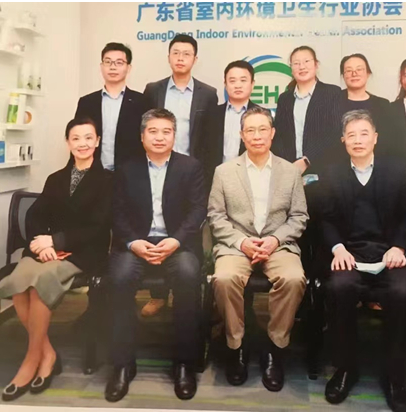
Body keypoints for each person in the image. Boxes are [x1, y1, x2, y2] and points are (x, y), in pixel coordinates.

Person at [1, 118, 113, 401]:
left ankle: (31, 360)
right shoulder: (56, 178)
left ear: (97, 141)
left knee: (40, 282)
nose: (82, 143)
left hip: (85, 251)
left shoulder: (108, 181)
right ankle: (47, 353)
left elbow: (99, 226)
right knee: (19, 280)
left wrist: (58, 242)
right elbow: (35, 215)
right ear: (68, 142)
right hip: (46, 249)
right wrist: (41, 243)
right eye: (76, 138)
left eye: (88, 138)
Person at [104, 109, 207, 403]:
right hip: (136, 243)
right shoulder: (127, 168)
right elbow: (117, 212)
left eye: (166, 131)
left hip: (177, 243)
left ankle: (184, 363)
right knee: (119, 278)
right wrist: (133, 242)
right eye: (153, 131)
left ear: (174, 135)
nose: (159, 137)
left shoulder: (191, 167)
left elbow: (197, 210)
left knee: (188, 275)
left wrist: (175, 240)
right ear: (142, 136)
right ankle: (123, 364)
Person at [320, 110, 406, 411]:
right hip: (351, 253)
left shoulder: (399, 171)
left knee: (401, 292)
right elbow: (325, 218)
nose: (358, 140)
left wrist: (399, 247)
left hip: (390, 254)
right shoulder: (333, 173)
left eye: (364, 134)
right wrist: (337, 248)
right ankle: (346, 367)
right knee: (339, 288)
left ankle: (394, 374)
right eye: (351, 135)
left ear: (375, 137)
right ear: (343, 140)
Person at [208, 106, 308, 392]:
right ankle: (236, 345)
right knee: (224, 278)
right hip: (237, 244)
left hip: (278, 244)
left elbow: (299, 216)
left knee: (293, 279)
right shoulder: (224, 172)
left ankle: (275, 347)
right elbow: (216, 216)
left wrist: (275, 240)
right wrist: (242, 242)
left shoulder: (290, 171)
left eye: (262, 129)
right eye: (250, 130)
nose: (256, 136)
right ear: (241, 135)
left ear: (272, 133)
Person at [142, 34, 217, 316]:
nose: (181, 58)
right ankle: (159, 295)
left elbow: (209, 139)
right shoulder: (153, 89)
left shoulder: (208, 93)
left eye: (187, 53)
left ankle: (183, 291)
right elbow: (146, 129)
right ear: (169, 57)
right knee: (156, 224)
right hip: (158, 166)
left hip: (189, 173)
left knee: (183, 230)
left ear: (195, 59)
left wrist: (203, 174)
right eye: (176, 53)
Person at [271, 45, 342, 287]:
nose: (301, 67)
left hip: (323, 176)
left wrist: (307, 160)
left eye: (306, 61)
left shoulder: (332, 94)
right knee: (296, 233)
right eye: (296, 63)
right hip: (291, 176)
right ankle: (300, 291)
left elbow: (335, 134)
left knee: (321, 232)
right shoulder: (285, 98)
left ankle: (320, 292)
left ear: (316, 65)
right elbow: (279, 137)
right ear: (290, 67)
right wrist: (289, 166)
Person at [75, 42, 148, 170]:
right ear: (101, 66)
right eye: (108, 62)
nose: (112, 67)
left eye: (119, 63)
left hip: (130, 173)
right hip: (94, 172)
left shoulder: (142, 102)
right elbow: (77, 138)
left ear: (128, 68)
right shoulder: (87, 102)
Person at [199, 60, 260, 190]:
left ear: (252, 84)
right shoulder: (211, 114)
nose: (238, 85)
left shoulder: (262, 116)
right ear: (225, 85)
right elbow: (203, 151)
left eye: (243, 80)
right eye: (232, 81)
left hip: (251, 183)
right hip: (215, 183)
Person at [339, 53, 393, 156]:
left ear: (368, 73)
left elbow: (386, 142)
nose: (354, 74)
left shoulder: (383, 105)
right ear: (343, 76)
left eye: (359, 69)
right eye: (349, 70)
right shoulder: (331, 102)